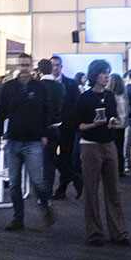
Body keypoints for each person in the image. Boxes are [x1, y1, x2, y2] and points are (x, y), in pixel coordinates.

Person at [0, 54, 58, 231]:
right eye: (21, 65)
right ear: (18, 66)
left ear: (31, 66)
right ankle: (18, 218)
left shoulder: (40, 87)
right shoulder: (8, 87)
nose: (24, 68)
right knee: (14, 183)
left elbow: (47, 111)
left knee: (37, 181)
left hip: (33, 141)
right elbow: (1, 112)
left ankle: (45, 206)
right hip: (13, 140)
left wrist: (44, 134)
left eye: (27, 65)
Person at [73, 60, 129, 246]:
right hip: (90, 146)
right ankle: (95, 233)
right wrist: (94, 124)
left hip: (109, 144)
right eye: (104, 73)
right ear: (95, 75)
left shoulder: (110, 96)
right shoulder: (85, 97)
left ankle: (119, 233)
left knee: (114, 190)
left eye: (108, 73)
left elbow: (114, 117)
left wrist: (113, 122)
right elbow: (79, 126)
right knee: (91, 191)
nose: (107, 77)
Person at [49, 54, 83, 199]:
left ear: (61, 67)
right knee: (51, 157)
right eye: (52, 65)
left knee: (66, 157)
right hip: (50, 127)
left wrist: (72, 122)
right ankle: (74, 177)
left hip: (67, 127)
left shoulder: (71, 83)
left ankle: (61, 190)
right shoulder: (44, 83)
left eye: (57, 65)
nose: (55, 68)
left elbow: (77, 104)